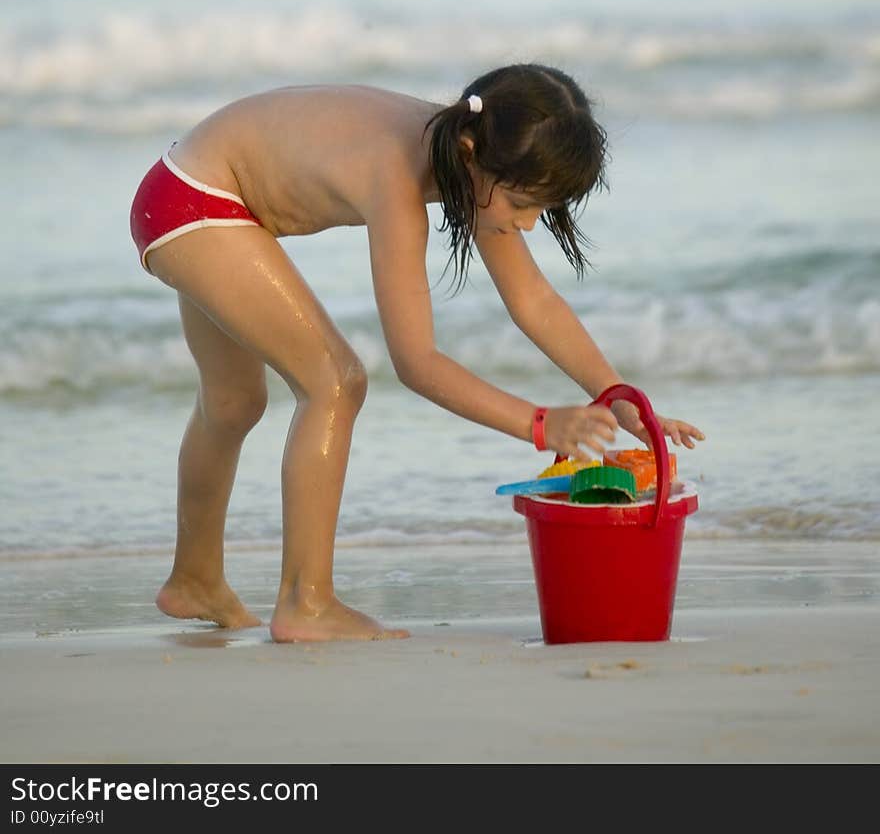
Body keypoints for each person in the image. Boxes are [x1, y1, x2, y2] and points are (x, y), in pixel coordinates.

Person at [129, 63, 703, 642]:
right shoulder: (399, 173)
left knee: (233, 403)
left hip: (182, 189)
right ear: (472, 150)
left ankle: (194, 580)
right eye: (525, 203)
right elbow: (417, 362)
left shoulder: (473, 160)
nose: (528, 224)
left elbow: (533, 300)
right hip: (198, 202)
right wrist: (538, 425)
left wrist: (614, 395)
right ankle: (306, 603)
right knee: (336, 381)